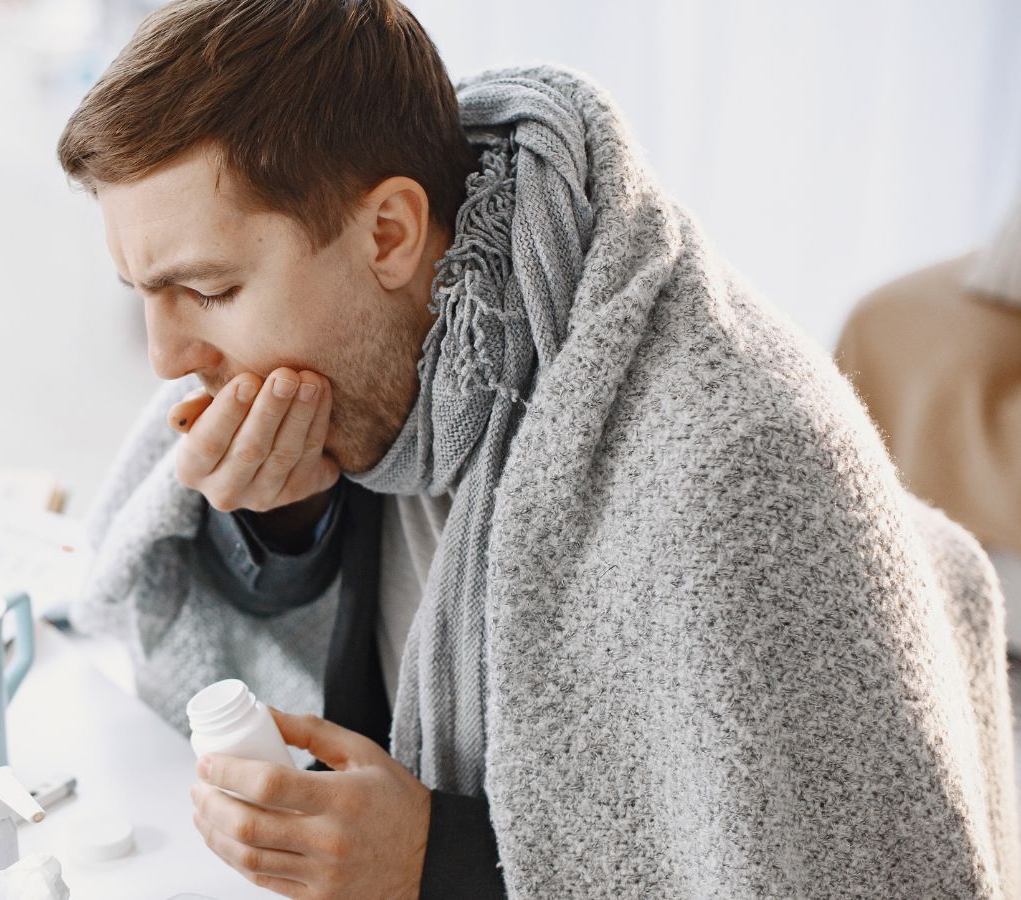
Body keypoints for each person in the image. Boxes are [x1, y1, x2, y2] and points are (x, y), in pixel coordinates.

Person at [58, 1, 1021, 897]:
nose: (166, 358)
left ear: (389, 232)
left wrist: (438, 860)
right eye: (138, 292)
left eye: (212, 292)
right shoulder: (381, 360)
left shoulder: (726, 470)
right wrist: (289, 508)